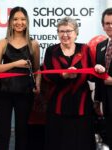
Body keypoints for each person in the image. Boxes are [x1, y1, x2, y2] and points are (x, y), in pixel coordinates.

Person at [43, 17, 96, 150]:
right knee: (58, 143)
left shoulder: (85, 49)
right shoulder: (51, 51)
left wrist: (98, 71)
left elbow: (91, 75)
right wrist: (63, 75)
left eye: (68, 31)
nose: (65, 35)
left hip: (82, 106)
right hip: (58, 105)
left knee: (81, 143)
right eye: (61, 31)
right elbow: (47, 76)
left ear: (76, 33)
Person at [0, 6, 40, 150]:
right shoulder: (3, 42)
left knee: (22, 132)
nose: (19, 22)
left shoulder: (34, 44)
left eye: (23, 19)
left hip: (25, 93)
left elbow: (37, 69)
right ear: (11, 22)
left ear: (27, 21)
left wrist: (37, 85)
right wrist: (15, 63)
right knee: (3, 133)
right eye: (16, 19)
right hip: (4, 93)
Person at [94, 7, 112, 150]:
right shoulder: (101, 46)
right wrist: (97, 100)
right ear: (103, 25)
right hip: (106, 101)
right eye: (107, 23)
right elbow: (99, 77)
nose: (110, 26)